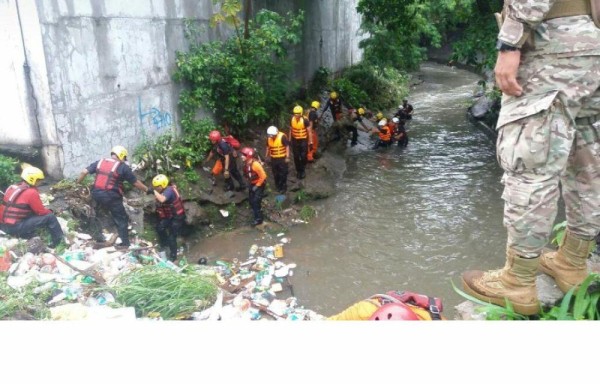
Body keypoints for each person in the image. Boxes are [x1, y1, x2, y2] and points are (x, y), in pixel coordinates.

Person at [462, 0, 600, 316]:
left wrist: (510, 42)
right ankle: (573, 261)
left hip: (555, 43)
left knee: (529, 162)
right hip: (593, 43)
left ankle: (518, 280)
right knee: (588, 160)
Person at [77, 145, 151, 248]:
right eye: (124, 157)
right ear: (122, 156)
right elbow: (135, 183)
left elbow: (84, 172)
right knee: (121, 218)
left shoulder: (100, 161)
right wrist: (147, 189)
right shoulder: (122, 167)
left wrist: (78, 183)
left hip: (96, 194)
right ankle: (125, 244)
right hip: (111, 196)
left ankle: (99, 238)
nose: (125, 160)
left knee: (96, 215)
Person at [0, 166, 64, 247]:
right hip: (14, 228)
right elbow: (41, 212)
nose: (40, 182)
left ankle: (26, 234)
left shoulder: (12, 187)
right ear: (32, 179)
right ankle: (59, 242)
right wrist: (51, 211)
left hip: (2, 226)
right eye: (39, 180)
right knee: (50, 217)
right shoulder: (31, 192)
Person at [151, 174, 186, 262]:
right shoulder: (163, 190)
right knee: (160, 228)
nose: (156, 189)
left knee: (172, 237)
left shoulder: (169, 190)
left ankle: (173, 257)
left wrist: (153, 191)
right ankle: (165, 244)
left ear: (163, 185)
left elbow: (162, 200)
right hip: (169, 216)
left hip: (177, 217)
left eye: (157, 187)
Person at [240, 147, 267, 226]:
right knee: (251, 201)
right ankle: (258, 212)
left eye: (243, 155)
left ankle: (259, 219)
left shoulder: (255, 165)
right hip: (252, 183)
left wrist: (257, 186)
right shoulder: (246, 164)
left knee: (255, 201)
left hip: (259, 183)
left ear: (248, 156)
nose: (241, 156)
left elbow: (263, 176)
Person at [288, 105, 312, 179]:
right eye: (295, 113)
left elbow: (309, 132)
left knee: (303, 156)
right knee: (296, 156)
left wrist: (310, 142)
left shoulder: (305, 120)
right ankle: (299, 171)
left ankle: (303, 169)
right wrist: (289, 140)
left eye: (298, 113)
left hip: (303, 140)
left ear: (301, 113)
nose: (296, 115)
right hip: (295, 140)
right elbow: (290, 130)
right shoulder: (292, 119)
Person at [264, 125, 290, 194]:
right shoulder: (269, 138)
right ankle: (278, 186)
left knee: (283, 173)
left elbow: (287, 147)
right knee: (275, 173)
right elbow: (268, 147)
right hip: (274, 158)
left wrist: (287, 157)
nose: (271, 137)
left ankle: (283, 187)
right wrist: (266, 156)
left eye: (272, 135)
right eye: (270, 135)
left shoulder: (282, 137)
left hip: (282, 158)